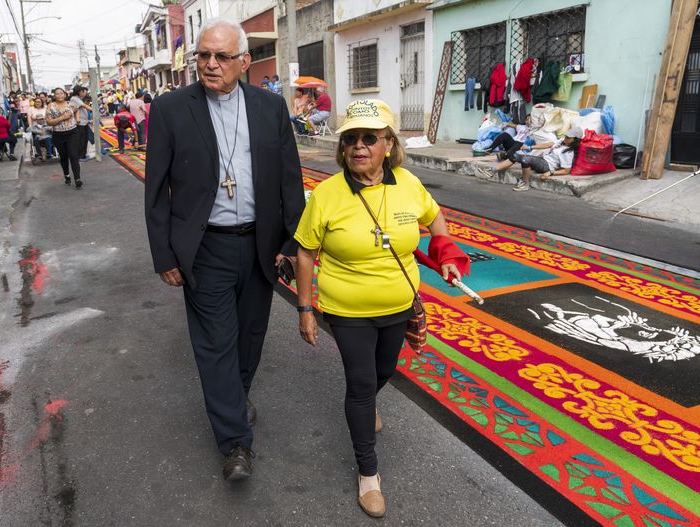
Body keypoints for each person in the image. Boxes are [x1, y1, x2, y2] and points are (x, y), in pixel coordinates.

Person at [144, 17, 304, 481]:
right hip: (205, 247)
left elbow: (289, 181)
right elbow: (156, 190)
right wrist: (165, 255)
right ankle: (235, 442)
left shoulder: (270, 107)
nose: (210, 64)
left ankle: (235, 395)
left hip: (261, 245)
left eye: (221, 56)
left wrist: (293, 242)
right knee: (215, 344)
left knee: (251, 336)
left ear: (244, 61)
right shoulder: (173, 108)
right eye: (203, 55)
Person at [294, 99, 466, 518]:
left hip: (399, 303)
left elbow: (436, 218)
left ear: (388, 144)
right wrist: (305, 308)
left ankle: (369, 401)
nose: (358, 147)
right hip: (345, 307)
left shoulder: (408, 183)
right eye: (351, 138)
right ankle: (368, 473)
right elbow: (304, 253)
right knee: (360, 382)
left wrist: (443, 251)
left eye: (369, 138)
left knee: (384, 371)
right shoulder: (327, 195)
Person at [499, 126, 582, 191]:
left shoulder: (568, 153)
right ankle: (492, 170)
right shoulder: (561, 142)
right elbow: (548, 145)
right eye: (565, 136)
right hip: (543, 160)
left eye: (568, 138)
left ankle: (525, 184)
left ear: (575, 140)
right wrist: (529, 147)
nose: (565, 138)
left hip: (547, 166)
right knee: (515, 156)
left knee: (526, 160)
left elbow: (567, 170)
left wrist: (550, 173)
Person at [46, 87, 82, 188]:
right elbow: (48, 121)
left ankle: (77, 178)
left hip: (72, 133)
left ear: (65, 94)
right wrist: (62, 117)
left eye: (61, 93)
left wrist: (77, 119)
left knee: (73, 154)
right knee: (64, 157)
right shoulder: (51, 106)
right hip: (58, 134)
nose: (59, 95)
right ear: (54, 95)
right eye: (57, 94)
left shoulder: (70, 104)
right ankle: (67, 176)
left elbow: (77, 109)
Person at [70, 86, 93, 160]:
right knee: (81, 140)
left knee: (84, 139)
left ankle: (83, 154)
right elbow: (84, 106)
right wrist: (94, 109)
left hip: (84, 122)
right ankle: (80, 156)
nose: (85, 93)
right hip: (79, 122)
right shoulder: (74, 99)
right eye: (84, 91)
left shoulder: (78, 99)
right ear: (80, 92)